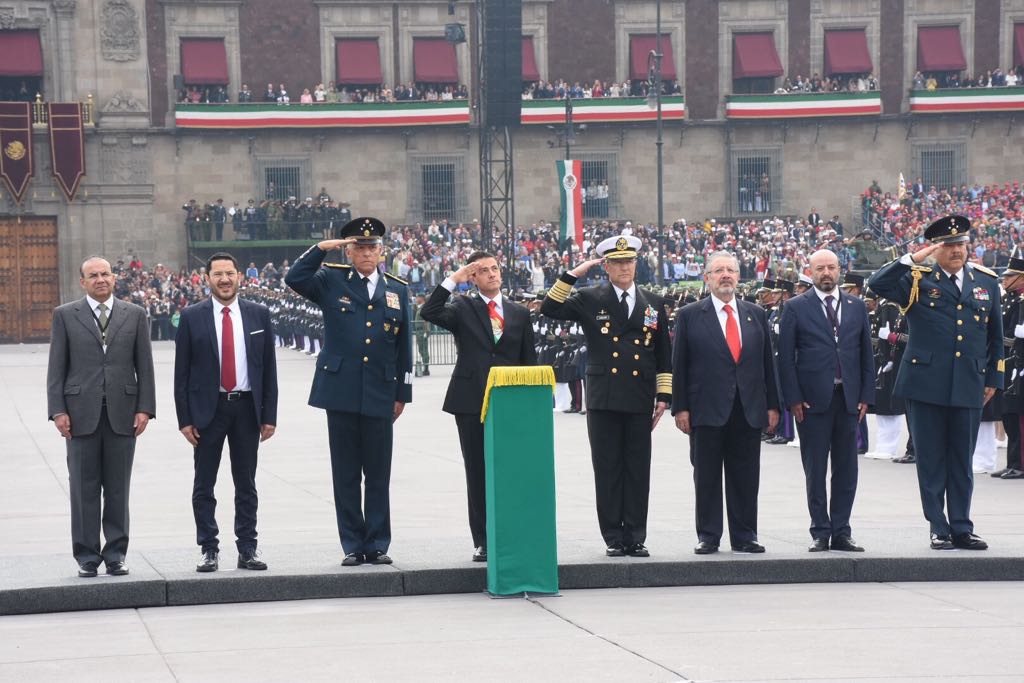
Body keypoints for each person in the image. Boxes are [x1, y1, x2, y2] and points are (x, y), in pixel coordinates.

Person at [869, 215, 1002, 550]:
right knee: (930, 459)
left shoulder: (985, 282)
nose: (956, 251)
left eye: (961, 244)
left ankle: (962, 526)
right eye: (948, 245)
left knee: (962, 459)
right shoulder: (917, 279)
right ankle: (938, 526)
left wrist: (993, 379)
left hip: (969, 383)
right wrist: (916, 257)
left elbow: (995, 339)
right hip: (925, 382)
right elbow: (877, 284)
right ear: (936, 248)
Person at [285, 217, 413, 566]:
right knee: (345, 473)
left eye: (372, 247)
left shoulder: (397, 289)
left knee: (377, 472)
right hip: (340, 388)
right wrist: (321, 250)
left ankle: (378, 542)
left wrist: (403, 393)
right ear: (349, 250)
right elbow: (294, 278)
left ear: (382, 251)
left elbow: (405, 347)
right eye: (359, 246)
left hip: (381, 390)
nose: (366, 252)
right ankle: (353, 544)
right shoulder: (331, 279)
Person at [540, 234, 672, 558]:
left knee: (638, 468)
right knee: (608, 466)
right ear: (606, 266)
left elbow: (663, 353)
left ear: (636, 264)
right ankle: (614, 535)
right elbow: (550, 307)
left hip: (640, 395)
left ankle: (636, 535)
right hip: (604, 396)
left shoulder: (653, 302)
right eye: (617, 262)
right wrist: (575, 273)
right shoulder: (590, 298)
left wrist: (664, 395)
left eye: (628, 261)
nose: (624, 267)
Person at [419, 251, 537, 562]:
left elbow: (529, 362)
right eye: (482, 271)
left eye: (495, 268)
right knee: (478, 471)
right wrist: (453, 280)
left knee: (511, 471)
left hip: (510, 401)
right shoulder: (463, 307)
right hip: (471, 400)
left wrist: (530, 405)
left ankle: (511, 533)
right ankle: (484, 539)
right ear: (473, 278)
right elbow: (429, 312)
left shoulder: (519, 313)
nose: (491, 274)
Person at [46, 256, 156, 577]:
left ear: (114, 278)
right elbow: (57, 368)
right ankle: (87, 556)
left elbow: (144, 368)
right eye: (93, 275)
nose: (100, 279)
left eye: (105, 274)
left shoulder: (134, 315)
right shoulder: (65, 316)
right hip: (79, 417)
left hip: (123, 414)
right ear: (82, 282)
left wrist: (145, 408)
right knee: (83, 488)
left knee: (119, 488)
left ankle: (116, 554)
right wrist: (57, 411)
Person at [173, 252, 279, 573]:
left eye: (229, 273)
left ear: (239, 277)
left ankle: (248, 548)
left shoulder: (259, 314)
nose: (224, 279)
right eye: (217, 274)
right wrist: (185, 420)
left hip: (247, 409)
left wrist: (269, 415)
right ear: (207, 279)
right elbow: (181, 375)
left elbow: (268, 370)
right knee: (204, 484)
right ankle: (209, 548)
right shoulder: (192, 317)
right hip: (209, 411)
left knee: (245, 483)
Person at [671, 252, 780, 555]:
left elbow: (766, 365)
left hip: (748, 408)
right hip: (706, 408)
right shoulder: (690, 315)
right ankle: (709, 535)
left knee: (745, 475)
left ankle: (745, 535)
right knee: (706, 475)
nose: (726, 275)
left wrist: (773, 405)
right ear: (707, 278)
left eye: (731, 270)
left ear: (739, 276)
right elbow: (679, 364)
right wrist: (680, 407)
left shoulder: (755, 313)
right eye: (719, 270)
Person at [777, 249, 874, 552]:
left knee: (847, 470)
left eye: (831, 267)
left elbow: (865, 355)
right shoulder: (794, 307)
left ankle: (842, 531)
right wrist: (793, 399)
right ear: (811, 271)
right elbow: (786, 359)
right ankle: (820, 530)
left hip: (847, 400)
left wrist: (865, 397)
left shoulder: (857, 307)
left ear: (840, 270)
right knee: (815, 469)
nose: (826, 273)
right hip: (812, 403)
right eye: (820, 269)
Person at [994, 256, 1024, 479]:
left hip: (1017, 361)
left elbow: (1014, 337)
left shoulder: (1020, 302)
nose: (1005, 279)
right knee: (1008, 414)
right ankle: (1012, 462)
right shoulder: (1009, 301)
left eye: (1010, 276)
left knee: (1017, 415)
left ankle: (1019, 464)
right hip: (1006, 362)